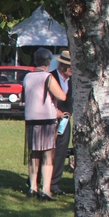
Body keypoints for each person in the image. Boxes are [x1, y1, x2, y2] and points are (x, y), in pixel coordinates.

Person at [22, 48, 68, 200]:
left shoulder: (27, 77)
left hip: (30, 119)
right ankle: (46, 190)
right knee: (48, 154)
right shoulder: (47, 77)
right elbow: (61, 95)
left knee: (34, 153)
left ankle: (32, 187)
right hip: (46, 121)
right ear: (49, 62)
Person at [49, 50, 73, 195]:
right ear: (61, 65)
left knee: (61, 151)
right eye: (68, 66)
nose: (71, 69)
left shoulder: (74, 81)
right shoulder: (51, 77)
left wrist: (68, 112)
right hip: (50, 119)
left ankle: (54, 183)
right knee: (47, 151)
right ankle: (40, 180)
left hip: (65, 120)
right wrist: (55, 111)